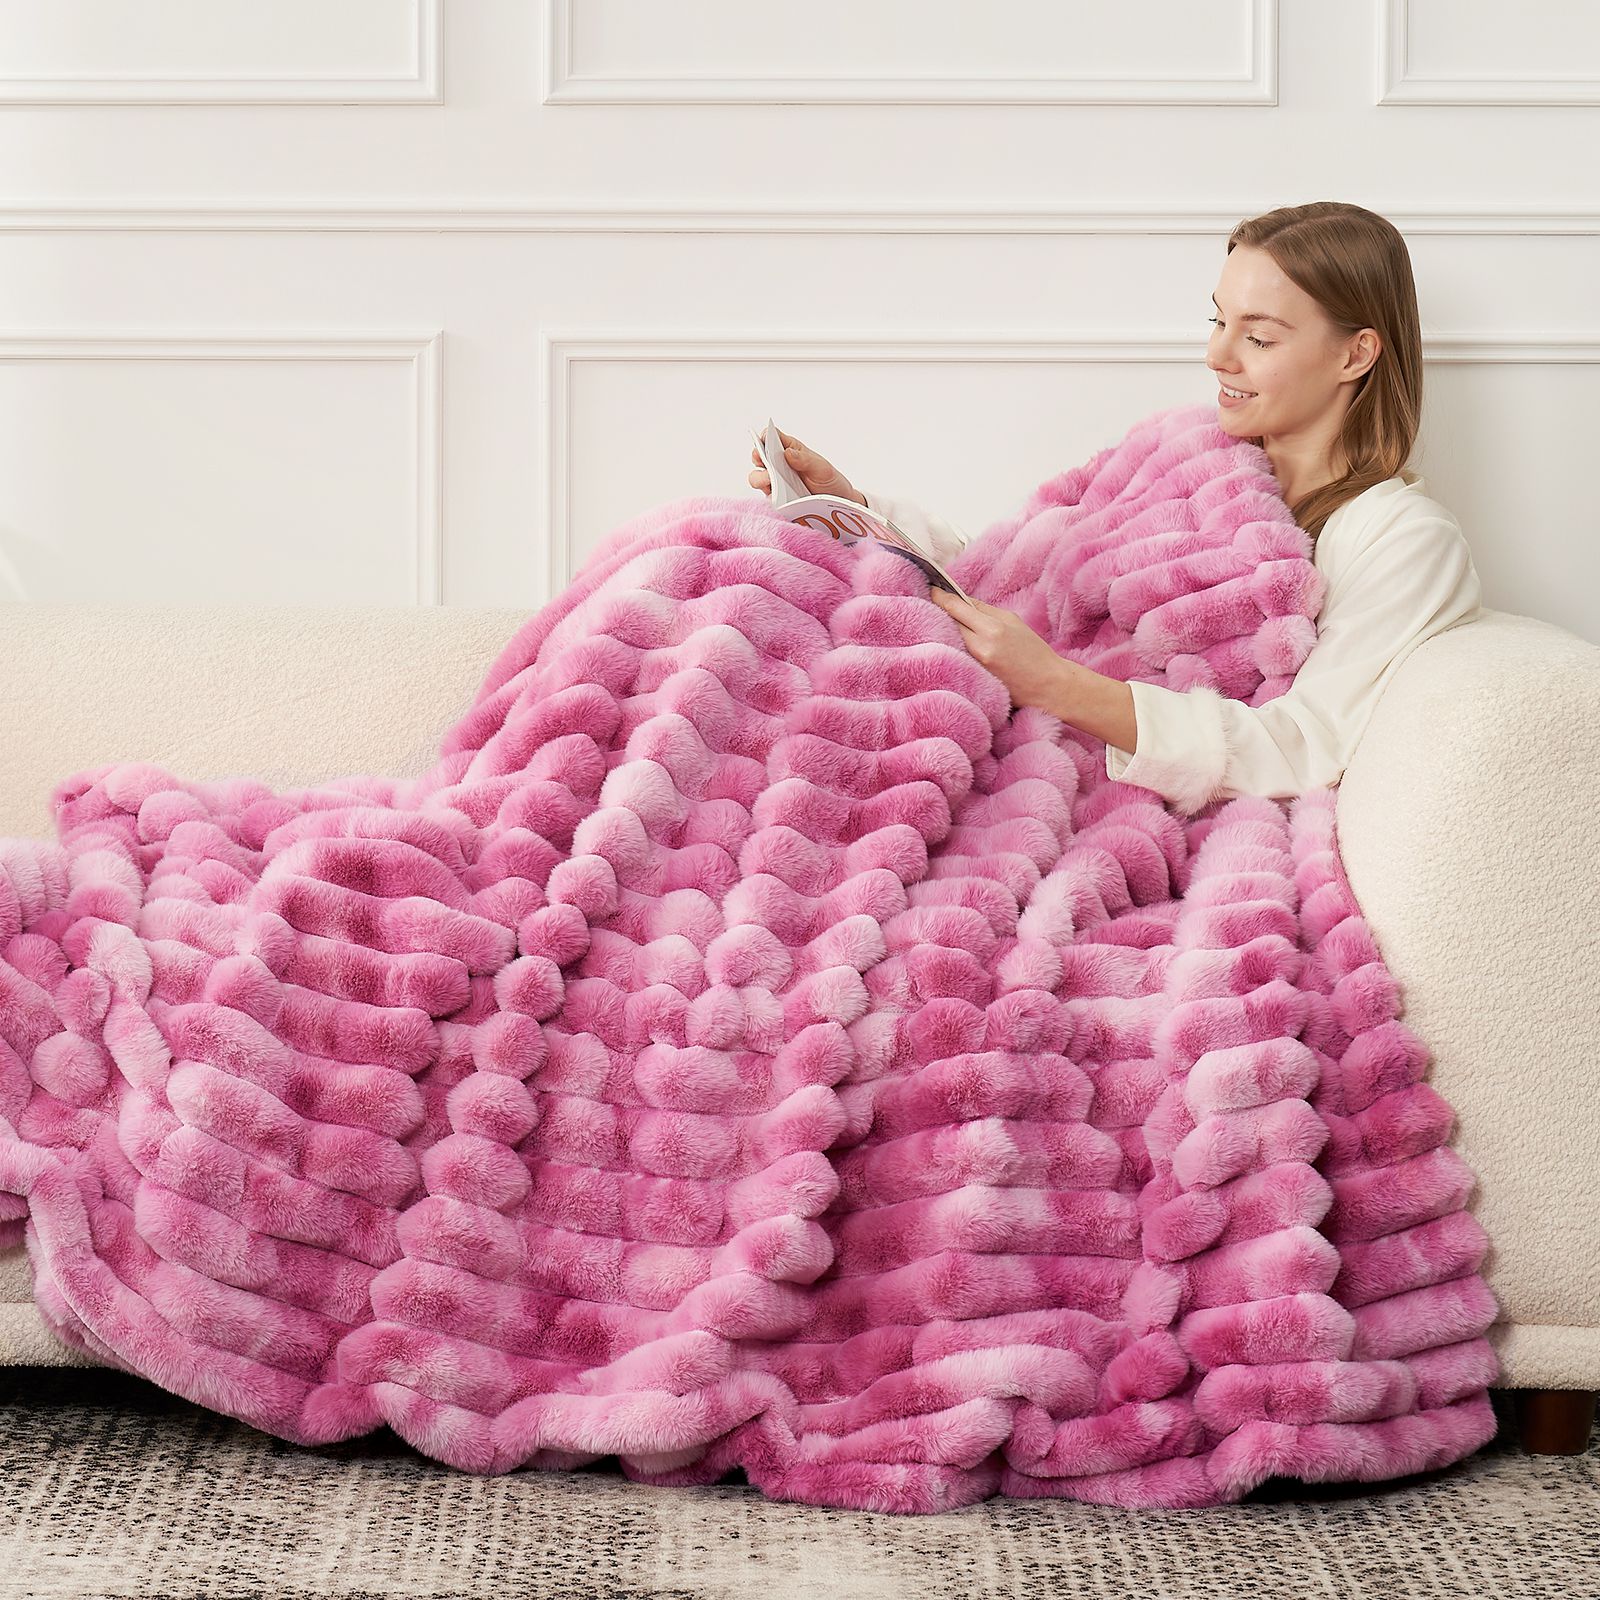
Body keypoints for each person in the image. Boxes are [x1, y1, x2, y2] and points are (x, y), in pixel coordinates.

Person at [748, 201, 1484, 816]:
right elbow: (1031, 580)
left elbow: (1304, 745)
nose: (1218, 356)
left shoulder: (1401, 539)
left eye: (1258, 337)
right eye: (1217, 322)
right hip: (996, 725)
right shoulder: (1181, 451)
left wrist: (1055, 685)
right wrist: (854, 507)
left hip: (1083, 796)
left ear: (1356, 355)